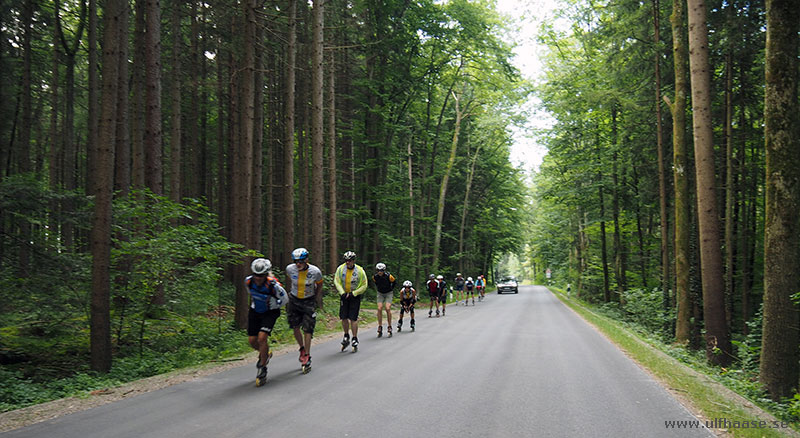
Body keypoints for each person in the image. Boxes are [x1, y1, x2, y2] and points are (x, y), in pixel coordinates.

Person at [246, 258, 288, 386]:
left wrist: (273, 304)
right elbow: (250, 294)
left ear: (266, 274)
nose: (258, 278)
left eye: (261, 275)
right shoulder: (248, 281)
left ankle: (262, 367)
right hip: (255, 311)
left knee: (262, 338)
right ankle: (265, 353)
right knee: (252, 341)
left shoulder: (273, 286)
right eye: (256, 275)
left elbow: (285, 300)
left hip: (270, 312)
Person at [285, 247, 324, 373]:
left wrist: (315, 297)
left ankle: (307, 355)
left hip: (308, 300)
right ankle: (301, 348)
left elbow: (320, 284)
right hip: (294, 300)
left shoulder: (315, 271)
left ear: (306, 260)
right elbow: (290, 280)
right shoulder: (290, 269)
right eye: (296, 261)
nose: (298, 264)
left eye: (301, 261)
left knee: (308, 329)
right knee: (295, 326)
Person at [334, 251, 368, 351]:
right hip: (344, 295)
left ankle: (354, 337)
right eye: (346, 261)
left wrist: (355, 293)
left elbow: (364, 284)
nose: (347, 262)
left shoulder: (360, 271)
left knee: (353, 318)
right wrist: (342, 292)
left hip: (354, 296)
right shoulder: (340, 269)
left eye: (349, 261)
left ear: (353, 261)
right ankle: (346, 335)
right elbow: (337, 281)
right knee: (344, 317)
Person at [372, 262, 396, 338]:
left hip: (388, 293)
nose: (380, 272)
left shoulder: (389, 276)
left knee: (387, 308)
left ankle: (389, 326)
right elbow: (376, 283)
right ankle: (380, 326)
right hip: (380, 293)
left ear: (384, 270)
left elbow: (394, 282)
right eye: (378, 270)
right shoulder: (375, 277)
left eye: (381, 270)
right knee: (379, 308)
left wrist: (391, 289)